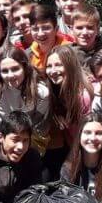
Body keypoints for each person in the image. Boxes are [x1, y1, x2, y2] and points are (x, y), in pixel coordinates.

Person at [41, 44, 87, 181]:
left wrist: (70, 162)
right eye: (49, 66)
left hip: (86, 150)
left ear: (70, 65)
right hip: (71, 148)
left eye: (58, 65)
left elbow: (82, 134)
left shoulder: (83, 96)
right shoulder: (57, 93)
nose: (53, 71)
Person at [0, 48, 51, 143]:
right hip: (10, 138)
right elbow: (5, 125)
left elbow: (39, 122)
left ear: (25, 68)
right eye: (5, 71)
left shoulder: (41, 92)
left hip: (34, 137)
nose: (10, 75)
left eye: (15, 69)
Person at [22, 4, 71, 70]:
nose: (40, 34)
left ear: (56, 29)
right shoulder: (27, 56)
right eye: (35, 29)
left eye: (46, 28)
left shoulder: (71, 51)